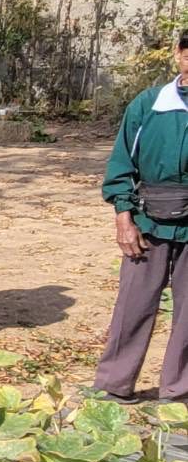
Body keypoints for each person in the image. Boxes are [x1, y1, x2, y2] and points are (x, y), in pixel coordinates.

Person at [93, 33, 188, 404]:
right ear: (180, 54)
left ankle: (178, 392)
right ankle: (112, 385)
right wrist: (124, 217)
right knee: (133, 304)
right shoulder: (148, 105)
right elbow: (120, 166)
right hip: (148, 221)